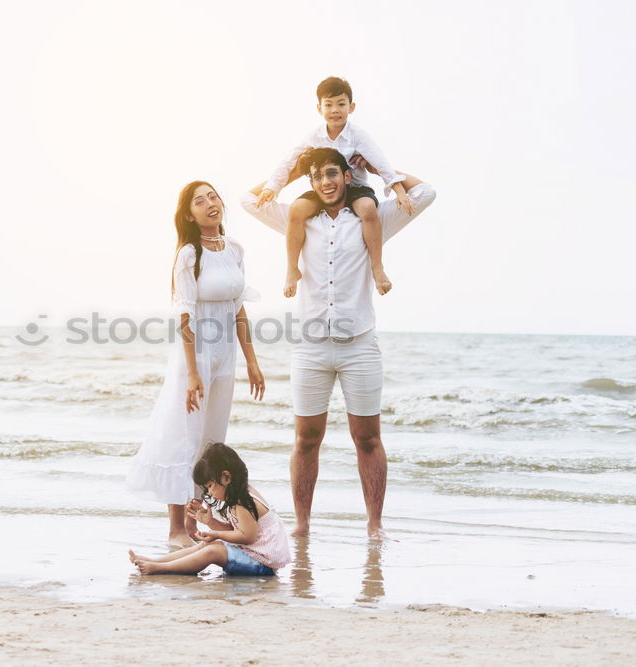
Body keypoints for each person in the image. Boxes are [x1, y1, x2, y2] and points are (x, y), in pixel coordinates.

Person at [241, 148, 436, 539]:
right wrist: (294, 173)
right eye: (319, 177)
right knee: (305, 439)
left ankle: (375, 524)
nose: (326, 182)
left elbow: (426, 193)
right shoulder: (299, 217)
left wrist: (381, 170)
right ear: (312, 182)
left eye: (333, 173)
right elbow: (249, 200)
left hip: (359, 345)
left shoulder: (372, 216)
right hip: (311, 347)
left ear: (347, 176)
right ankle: (303, 524)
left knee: (367, 438)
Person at [125, 182, 266, 548]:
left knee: (211, 442)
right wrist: (192, 373)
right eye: (199, 201)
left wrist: (252, 361)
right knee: (184, 439)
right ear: (190, 214)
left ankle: (198, 523)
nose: (210, 204)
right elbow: (184, 316)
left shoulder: (234, 249)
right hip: (196, 356)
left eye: (213, 197)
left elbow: (239, 309)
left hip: (225, 358)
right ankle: (177, 530)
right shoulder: (189, 254)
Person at [254, 76, 415, 298]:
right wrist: (272, 187)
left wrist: (398, 191)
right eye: (328, 105)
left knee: (368, 209)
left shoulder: (358, 135)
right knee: (296, 210)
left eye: (341, 104)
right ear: (319, 108)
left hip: (355, 188)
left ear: (351, 107)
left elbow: (381, 163)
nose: (335, 110)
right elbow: (289, 161)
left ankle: (378, 268)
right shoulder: (314, 135)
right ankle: (292, 269)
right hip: (324, 190)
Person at [129, 443, 292, 575]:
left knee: (213, 551)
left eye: (210, 486)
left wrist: (216, 534)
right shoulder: (238, 496)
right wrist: (210, 522)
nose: (209, 493)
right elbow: (234, 531)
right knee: (206, 546)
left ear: (226, 477)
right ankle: (155, 561)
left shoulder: (242, 502)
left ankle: (161, 568)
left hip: (263, 564)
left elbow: (247, 537)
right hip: (254, 554)